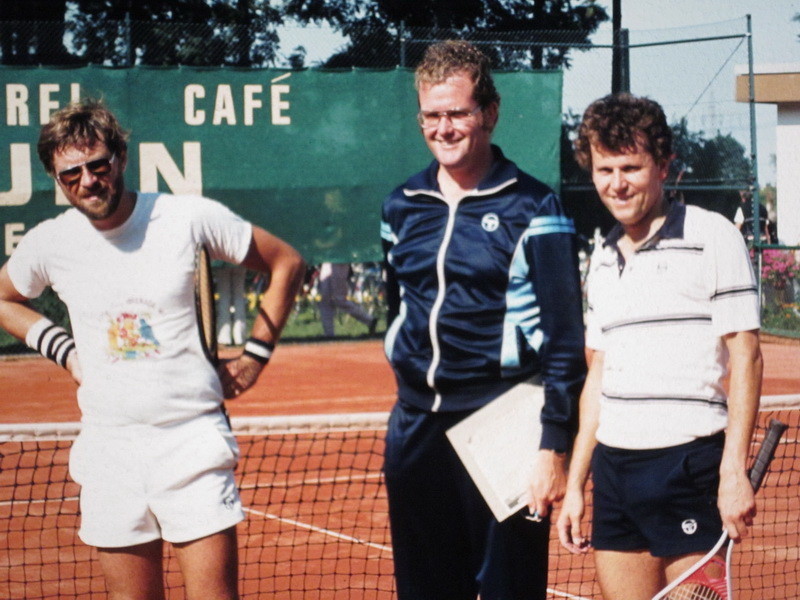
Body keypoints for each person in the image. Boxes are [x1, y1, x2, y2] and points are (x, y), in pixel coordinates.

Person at [0, 99, 305, 600]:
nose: (87, 181)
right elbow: (4, 298)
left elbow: (286, 262)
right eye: (70, 174)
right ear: (56, 179)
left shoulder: (186, 217)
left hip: (192, 443)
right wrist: (66, 351)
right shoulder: (50, 242)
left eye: (98, 165)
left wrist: (254, 357)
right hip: (109, 449)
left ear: (120, 157)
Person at [380, 40, 586, 600]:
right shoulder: (400, 205)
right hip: (416, 429)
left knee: (508, 591)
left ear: (489, 113)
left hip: (505, 426)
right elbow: (398, 307)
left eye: (457, 113)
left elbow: (566, 342)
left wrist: (552, 447)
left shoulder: (536, 207)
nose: (443, 128)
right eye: (431, 115)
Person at [556, 93, 763, 600]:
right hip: (614, 472)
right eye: (605, 169)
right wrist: (577, 484)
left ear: (664, 166)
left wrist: (733, 470)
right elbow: (598, 377)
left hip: (688, 467)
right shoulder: (602, 257)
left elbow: (746, 356)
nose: (617, 183)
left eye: (631, 167)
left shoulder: (712, 236)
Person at [318, 262, 377, 337]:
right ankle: (329, 334)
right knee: (325, 300)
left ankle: (369, 320)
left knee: (339, 299)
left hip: (340, 262)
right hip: (326, 261)